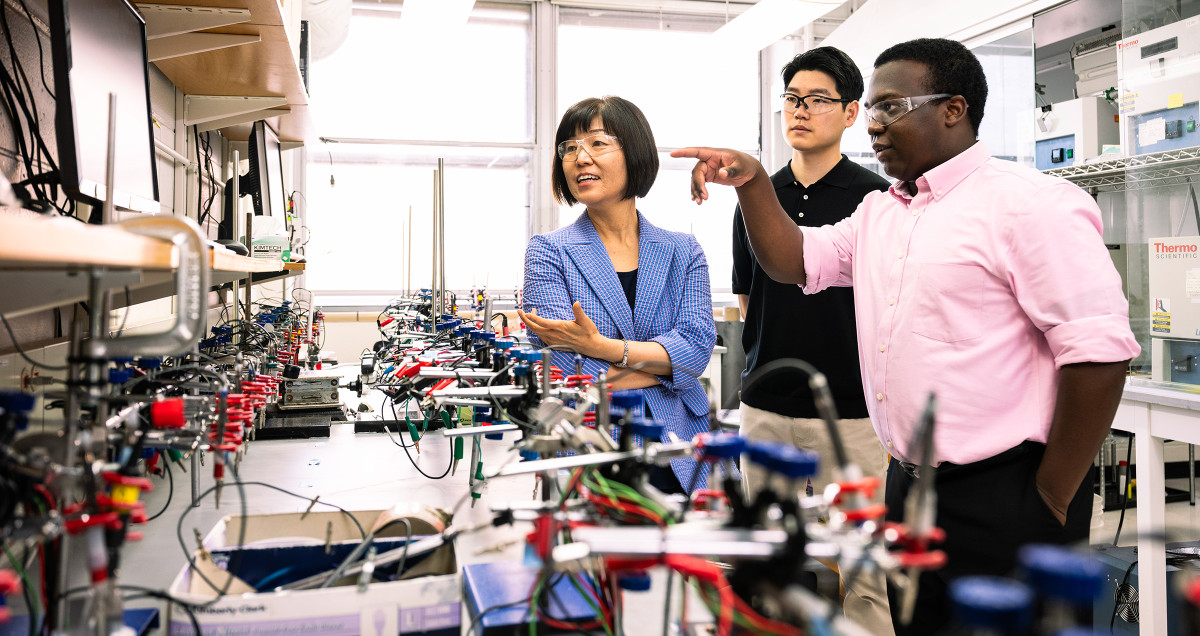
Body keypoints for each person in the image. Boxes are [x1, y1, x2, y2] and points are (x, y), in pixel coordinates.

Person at [672, 38, 1139, 635]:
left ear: (953, 109)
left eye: (891, 107)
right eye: (871, 109)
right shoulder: (880, 213)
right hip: (909, 484)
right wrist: (754, 181)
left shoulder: (1030, 205)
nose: (873, 124)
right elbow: (794, 259)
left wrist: (1051, 496)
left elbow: (1098, 352)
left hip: (1008, 490)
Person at [733, 46, 893, 634]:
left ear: (851, 112)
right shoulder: (756, 195)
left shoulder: (876, 200)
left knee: (863, 566)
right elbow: (749, 301)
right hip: (766, 409)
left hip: (851, 415)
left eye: (818, 99)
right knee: (767, 557)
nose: (800, 110)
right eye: (792, 99)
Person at [518, 96, 717, 494]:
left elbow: (696, 350)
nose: (579, 157)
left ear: (635, 152)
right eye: (569, 147)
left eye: (597, 142)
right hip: (589, 441)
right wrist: (665, 371)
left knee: (687, 552)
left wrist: (598, 345)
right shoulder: (548, 251)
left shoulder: (683, 250)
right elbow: (564, 370)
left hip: (679, 445)